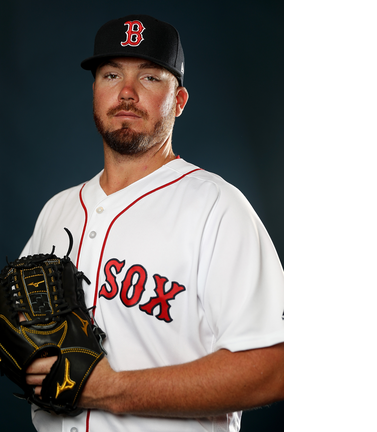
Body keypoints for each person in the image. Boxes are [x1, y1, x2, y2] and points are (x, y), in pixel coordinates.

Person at [18, 14, 284, 432]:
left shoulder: (217, 207)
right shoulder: (58, 210)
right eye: (110, 75)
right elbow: (20, 333)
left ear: (178, 101)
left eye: (149, 78)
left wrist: (106, 388)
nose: (126, 92)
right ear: (94, 91)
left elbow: (273, 366)